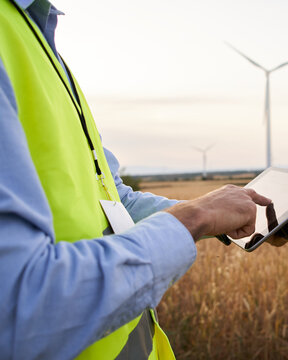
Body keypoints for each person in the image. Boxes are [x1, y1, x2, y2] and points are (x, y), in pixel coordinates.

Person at [0, 0, 273, 358]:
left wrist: (219, 214)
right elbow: (20, 307)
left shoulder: (37, 35)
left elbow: (114, 201)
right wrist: (194, 218)